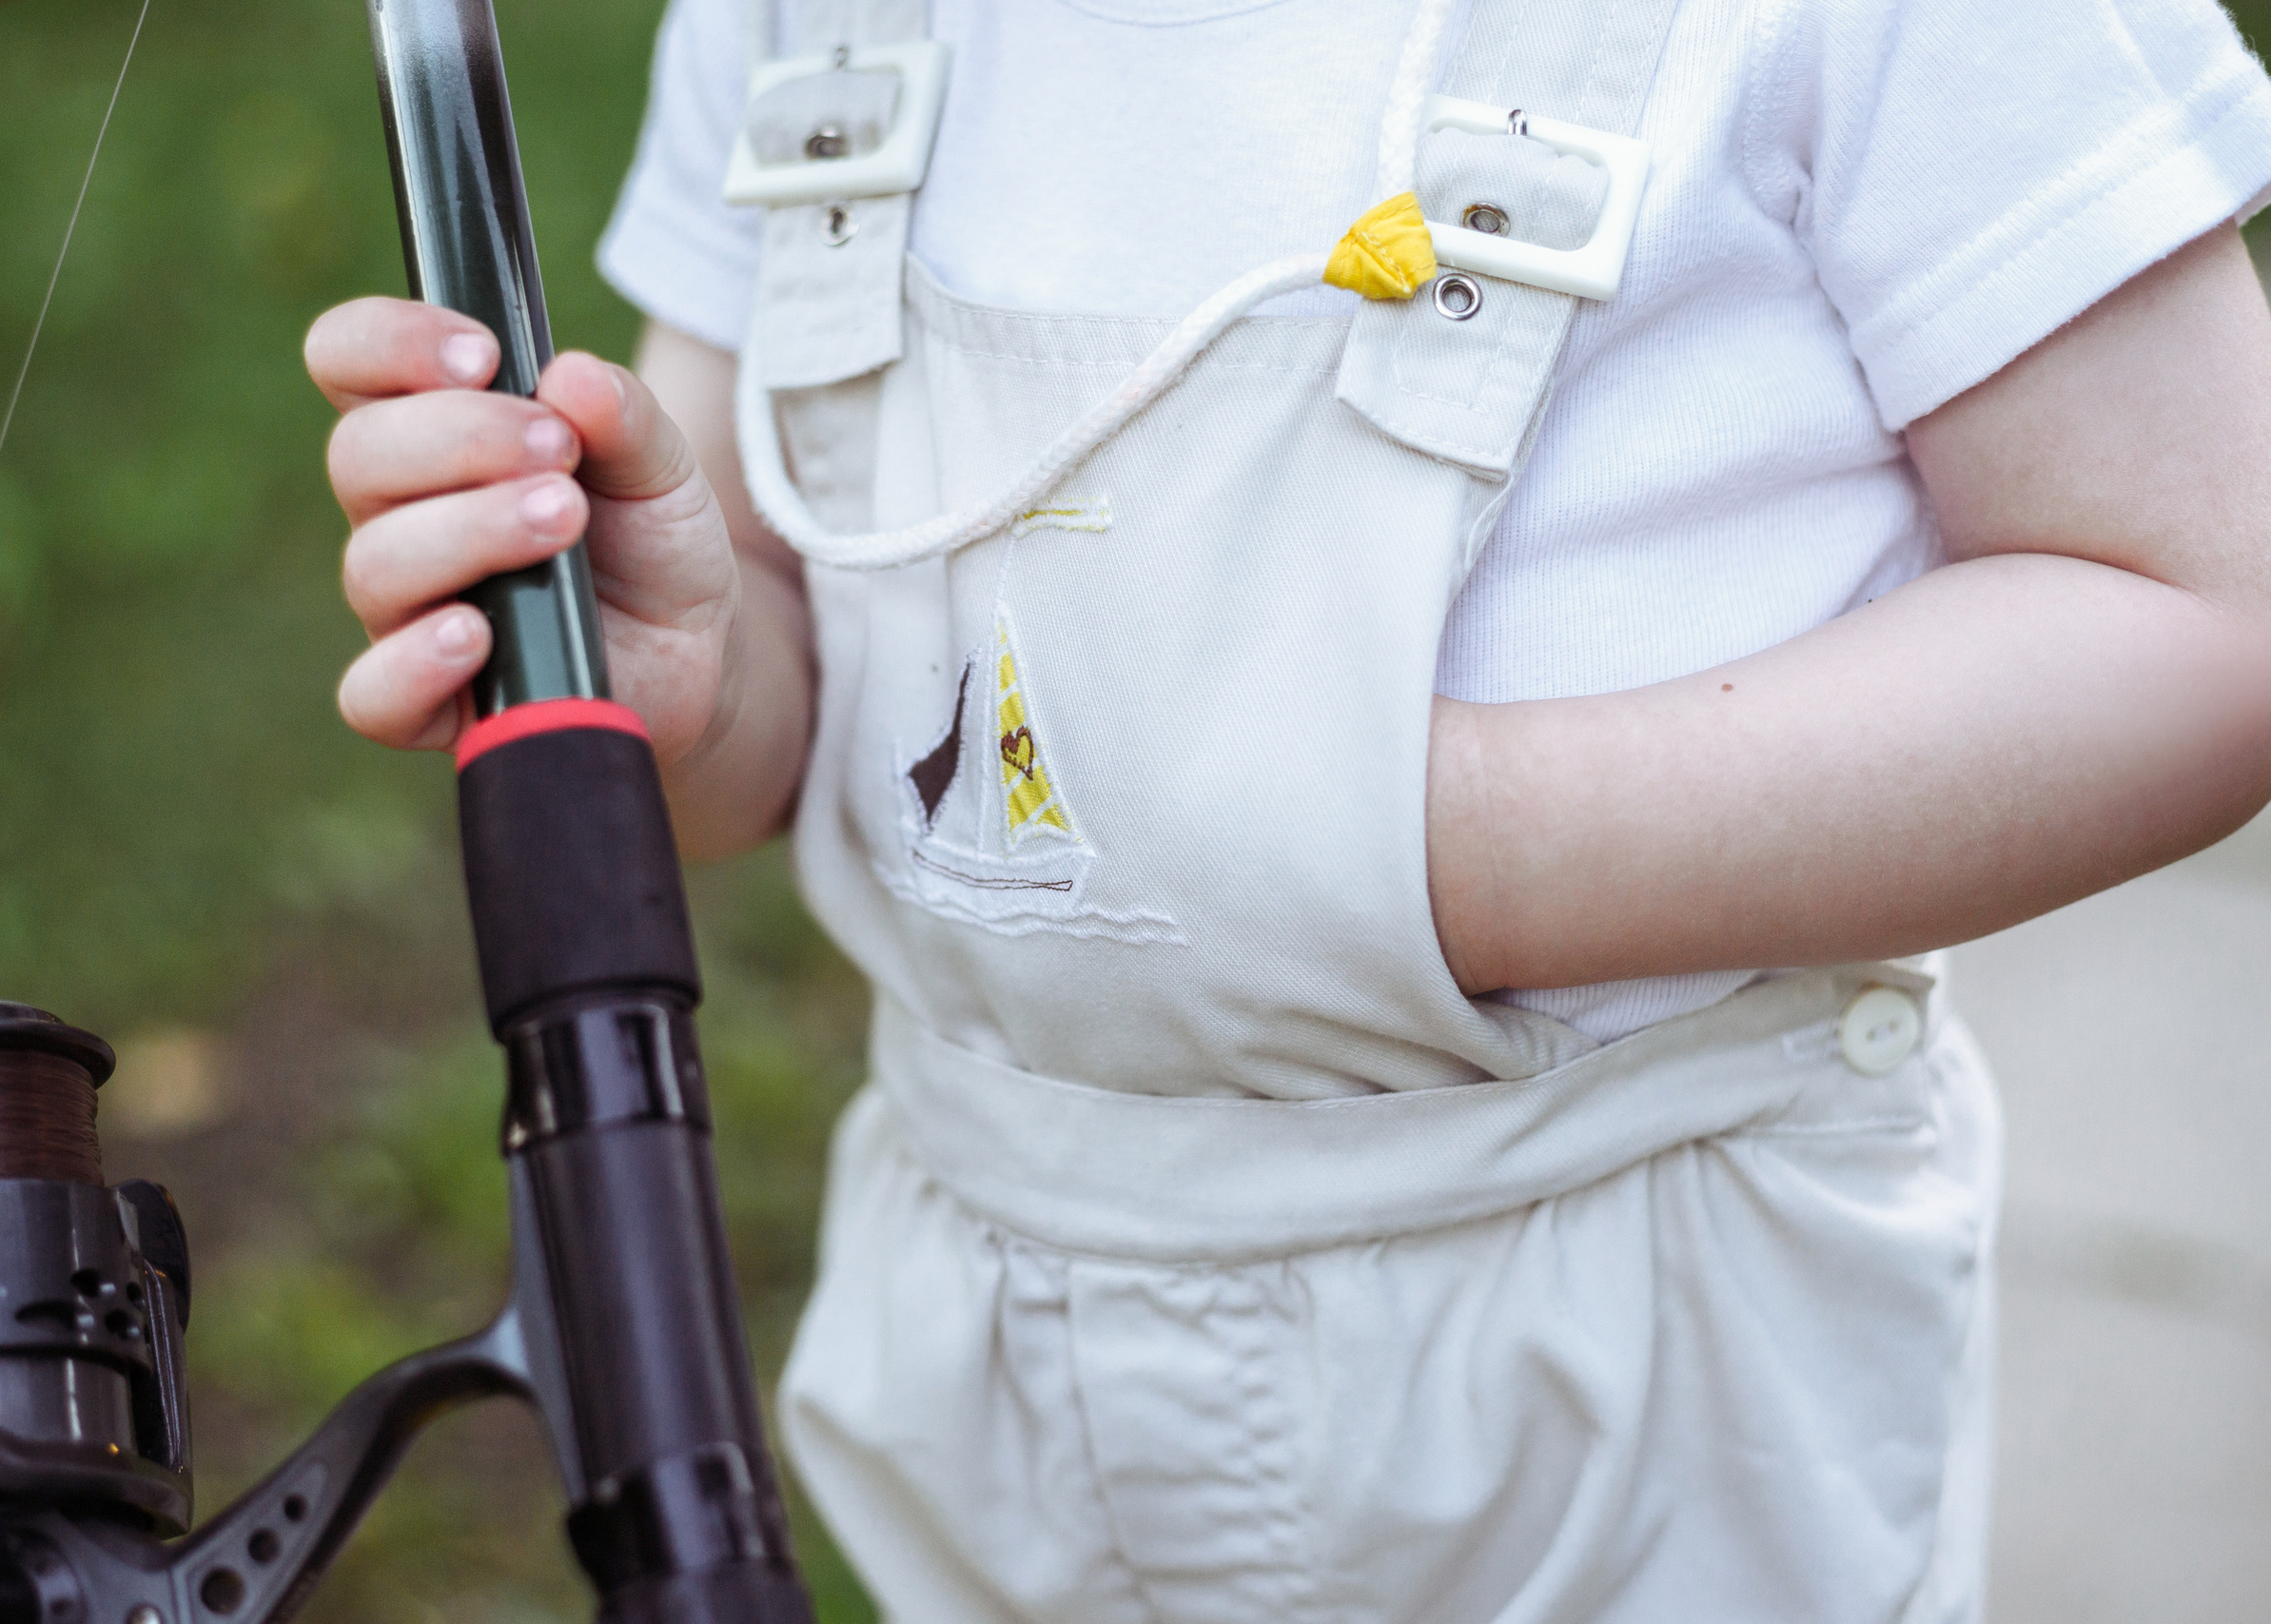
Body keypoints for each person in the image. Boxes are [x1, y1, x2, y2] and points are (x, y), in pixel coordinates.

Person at [306, 0, 2271, 1616]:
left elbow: (2197, 611)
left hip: (1623, 1340)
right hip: (993, 1323)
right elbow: (800, 657)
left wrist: (1407, 842)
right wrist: (704, 685)